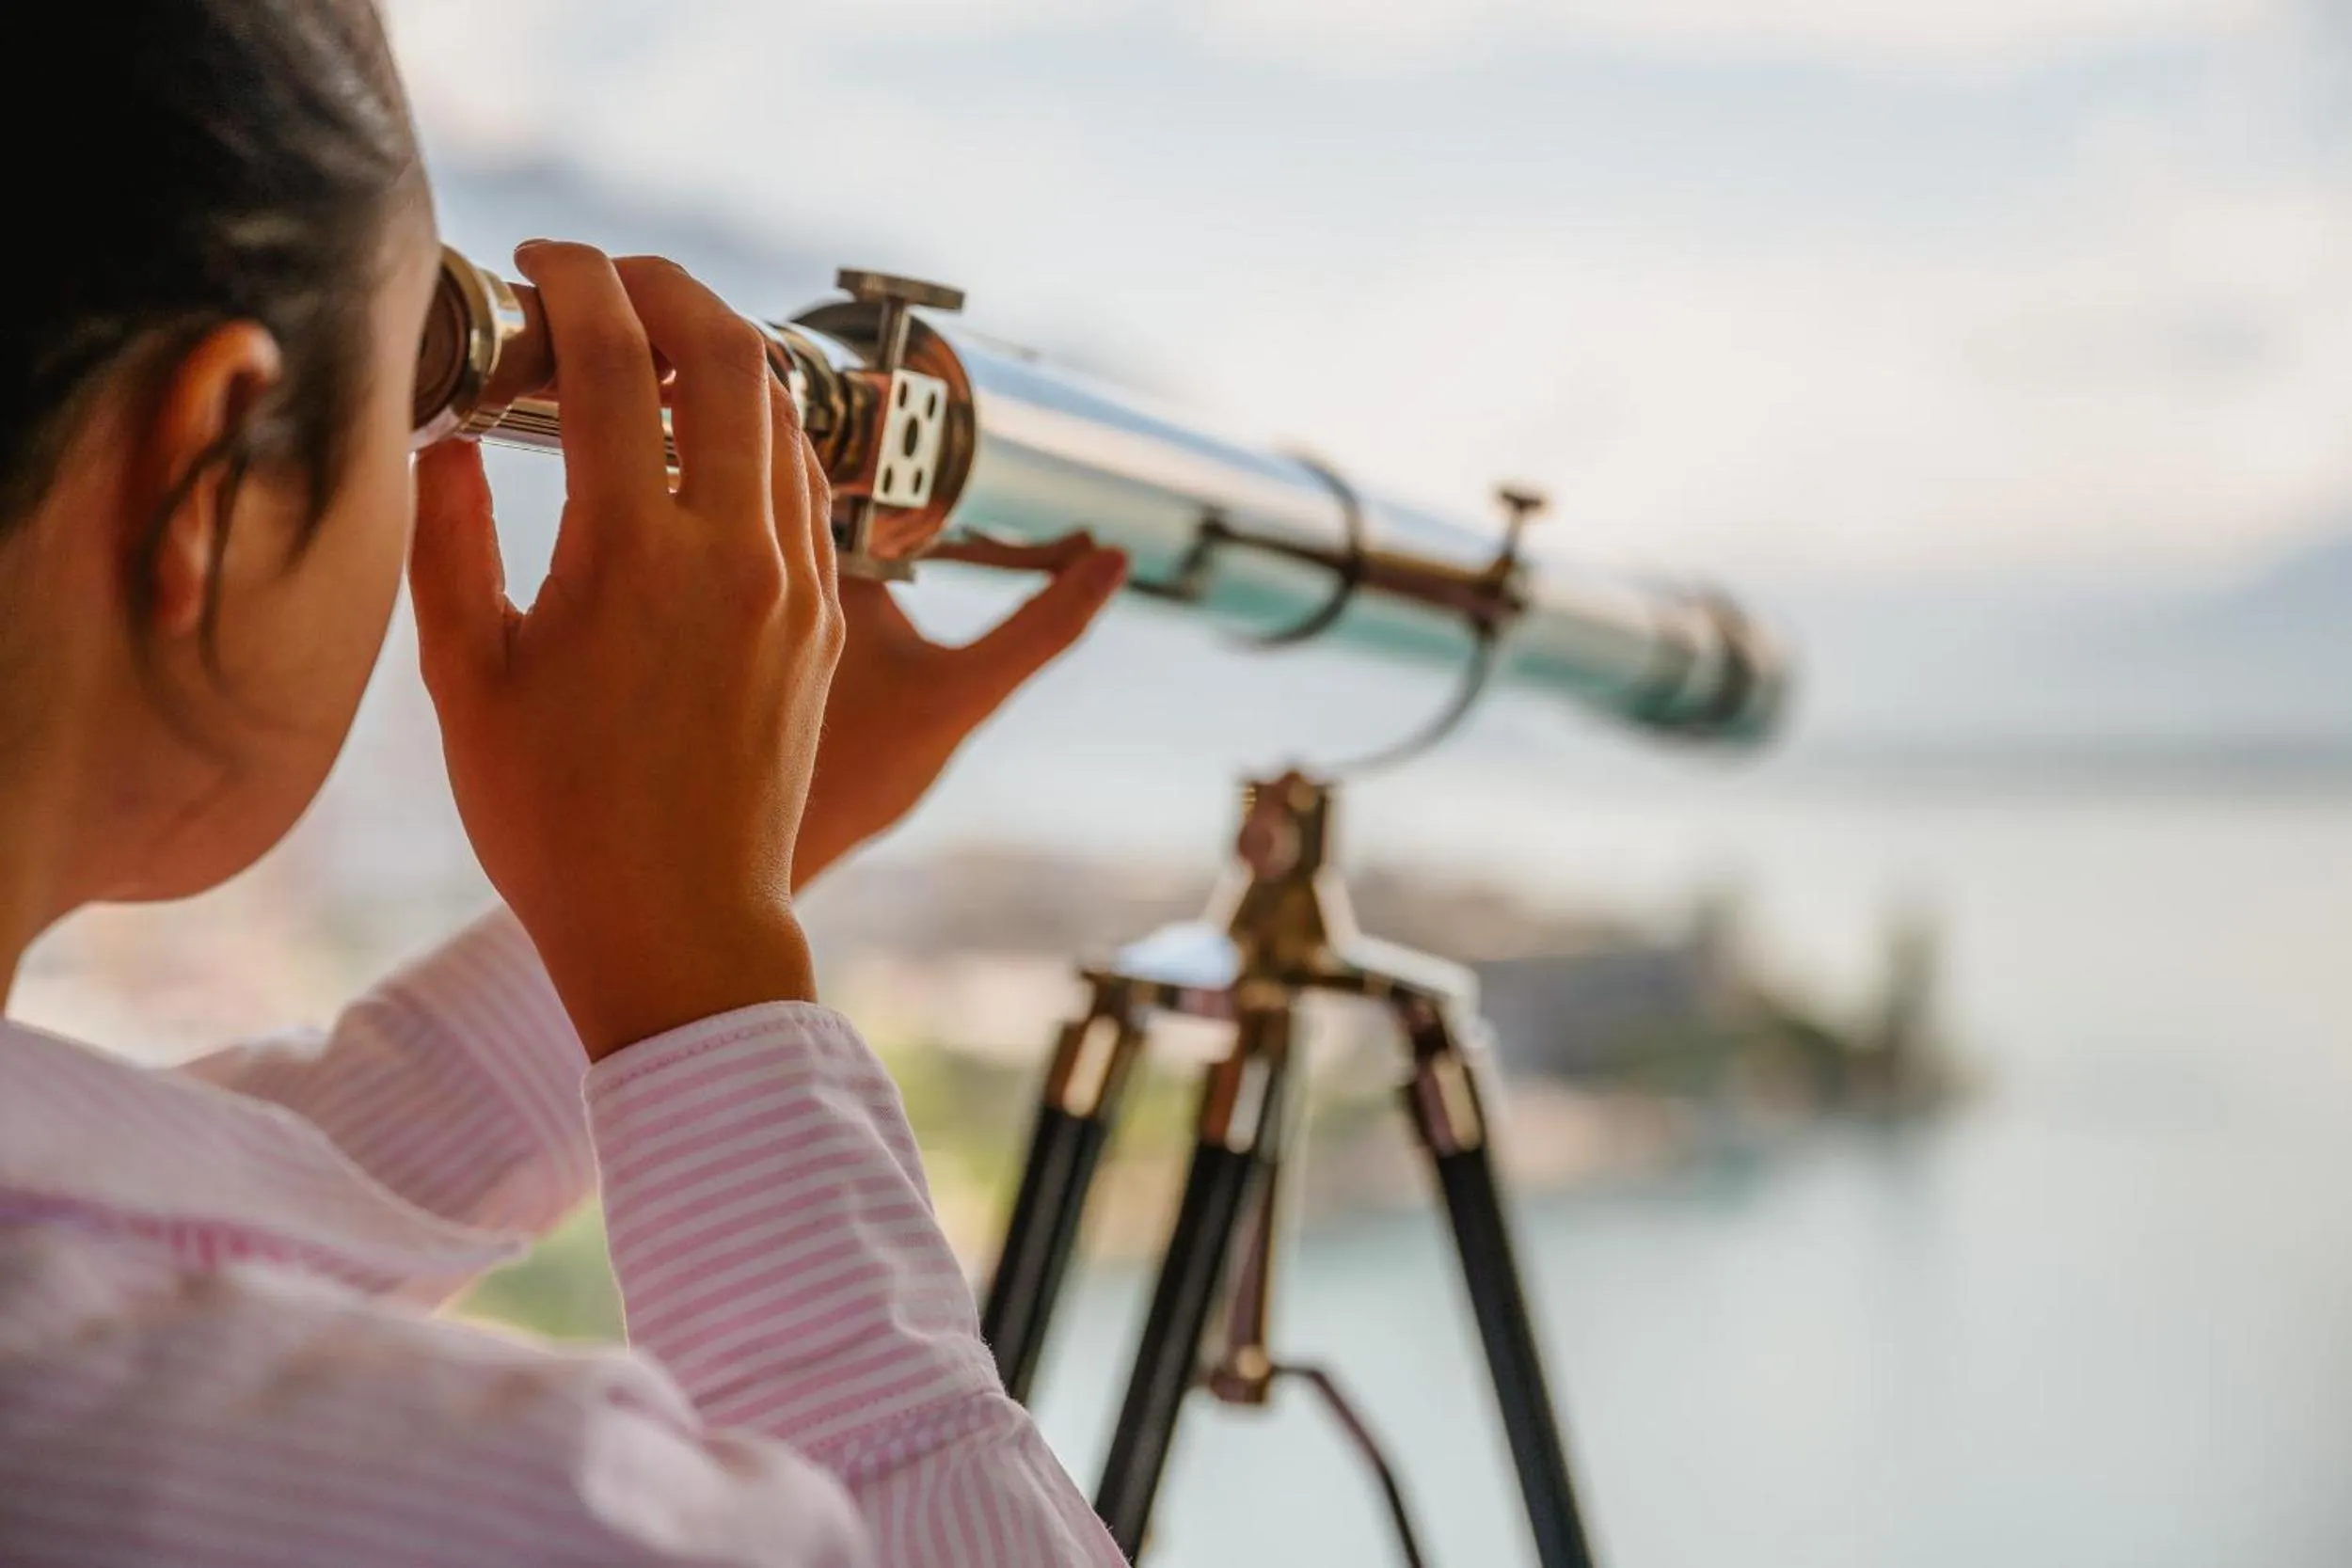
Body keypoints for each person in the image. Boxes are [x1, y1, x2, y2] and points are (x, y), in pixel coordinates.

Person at [0, 3, 1136, 1563]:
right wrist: (708, 983)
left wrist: (736, 860)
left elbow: (171, 1206)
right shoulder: (508, 1512)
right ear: (201, 482)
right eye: (404, 392)